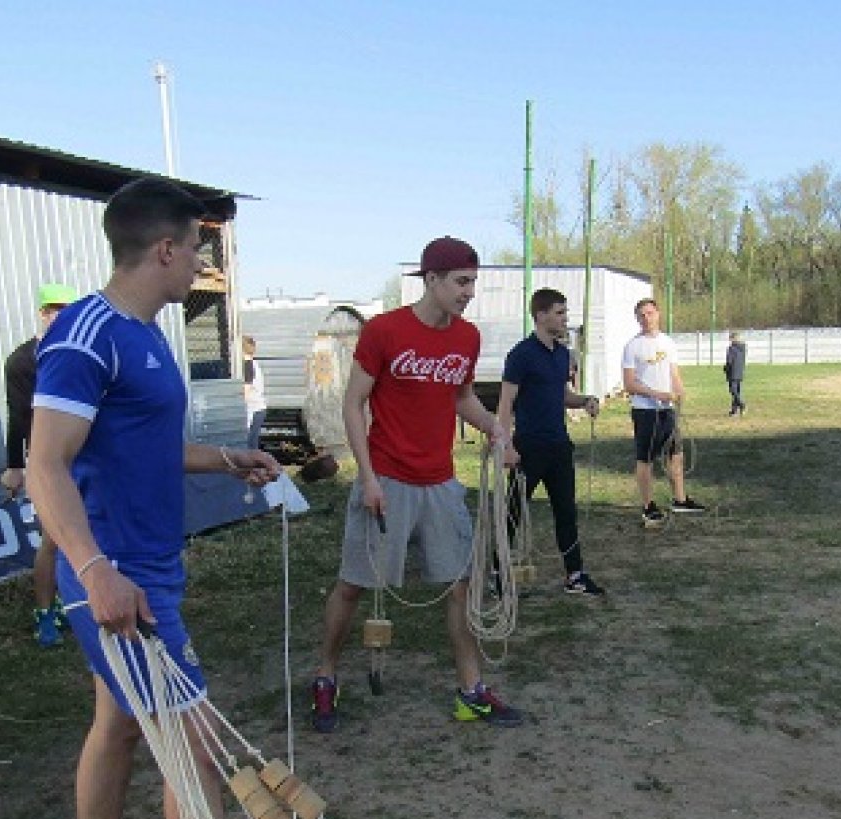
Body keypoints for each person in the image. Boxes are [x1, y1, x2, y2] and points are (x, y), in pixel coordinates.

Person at [26, 177, 328, 819]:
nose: (202, 262)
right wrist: (96, 570)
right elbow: (46, 463)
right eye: (197, 247)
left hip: (148, 569)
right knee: (192, 751)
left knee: (120, 725)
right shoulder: (84, 336)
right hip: (120, 582)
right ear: (164, 249)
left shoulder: (149, 336)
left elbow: (139, 445)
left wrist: (224, 458)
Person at [309, 236, 523, 734]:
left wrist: (495, 429)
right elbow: (352, 404)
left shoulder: (466, 338)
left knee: (460, 586)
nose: (469, 292)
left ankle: (470, 691)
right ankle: (325, 675)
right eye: (461, 282)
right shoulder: (385, 331)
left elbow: (461, 397)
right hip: (386, 478)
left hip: (440, 482)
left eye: (473, 282)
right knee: (353, 585)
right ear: (432, 279)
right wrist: (367, 478)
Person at [496, 287, 605, 596]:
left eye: (565, 312)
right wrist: (506, 446)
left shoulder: (562, 354)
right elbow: (505, 403)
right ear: (541, 315)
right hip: (528, 448)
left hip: (559, 446)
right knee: (513, 512)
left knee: (566, 512)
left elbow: (562, 394)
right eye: (560, 313)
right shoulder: (521, 354)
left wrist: (585, 400)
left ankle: (575, 575)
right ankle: (497, 573)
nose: (565, 318)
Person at [1, 282, 77, 647]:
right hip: (49, 461)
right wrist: (15, 464)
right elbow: (17, 415)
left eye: (68, 309)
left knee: (92, 534)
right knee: (53, 539)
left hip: (87, 456)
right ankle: (46, 613)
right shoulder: (22, 360)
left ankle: (80, 604)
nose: (61, 316)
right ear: (43, 313)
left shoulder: (81, 353)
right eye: (54, 309)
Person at [622, 298, 705, 526]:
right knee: (645, 458)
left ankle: (680, 499)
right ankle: (648, 506)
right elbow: (629, 384)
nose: (646, 318)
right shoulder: (632, 346)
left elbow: (673, 374)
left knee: (675, 454)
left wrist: (679, 391)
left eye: (650, 313)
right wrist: (656, 394)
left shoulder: (668, 343)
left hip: (667, 411)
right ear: (637, 318)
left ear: (658, 314)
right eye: (642, 315)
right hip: (645, 411)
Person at [241, 334, 267, 449]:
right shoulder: (253, 363)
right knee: (252, 444)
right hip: (258, 408)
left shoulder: (248, 365)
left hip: (254, 409)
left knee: (250, 446)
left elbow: (246, 391)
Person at [724, 330, 748, 416]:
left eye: (730, 338)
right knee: (737, 391)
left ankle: (742, 405)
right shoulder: (743, 348)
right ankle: (734, 411)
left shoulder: (731, 349)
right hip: (740, 372)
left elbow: (729, 362)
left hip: (732, 372)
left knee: (733, 391)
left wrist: (726, 369)